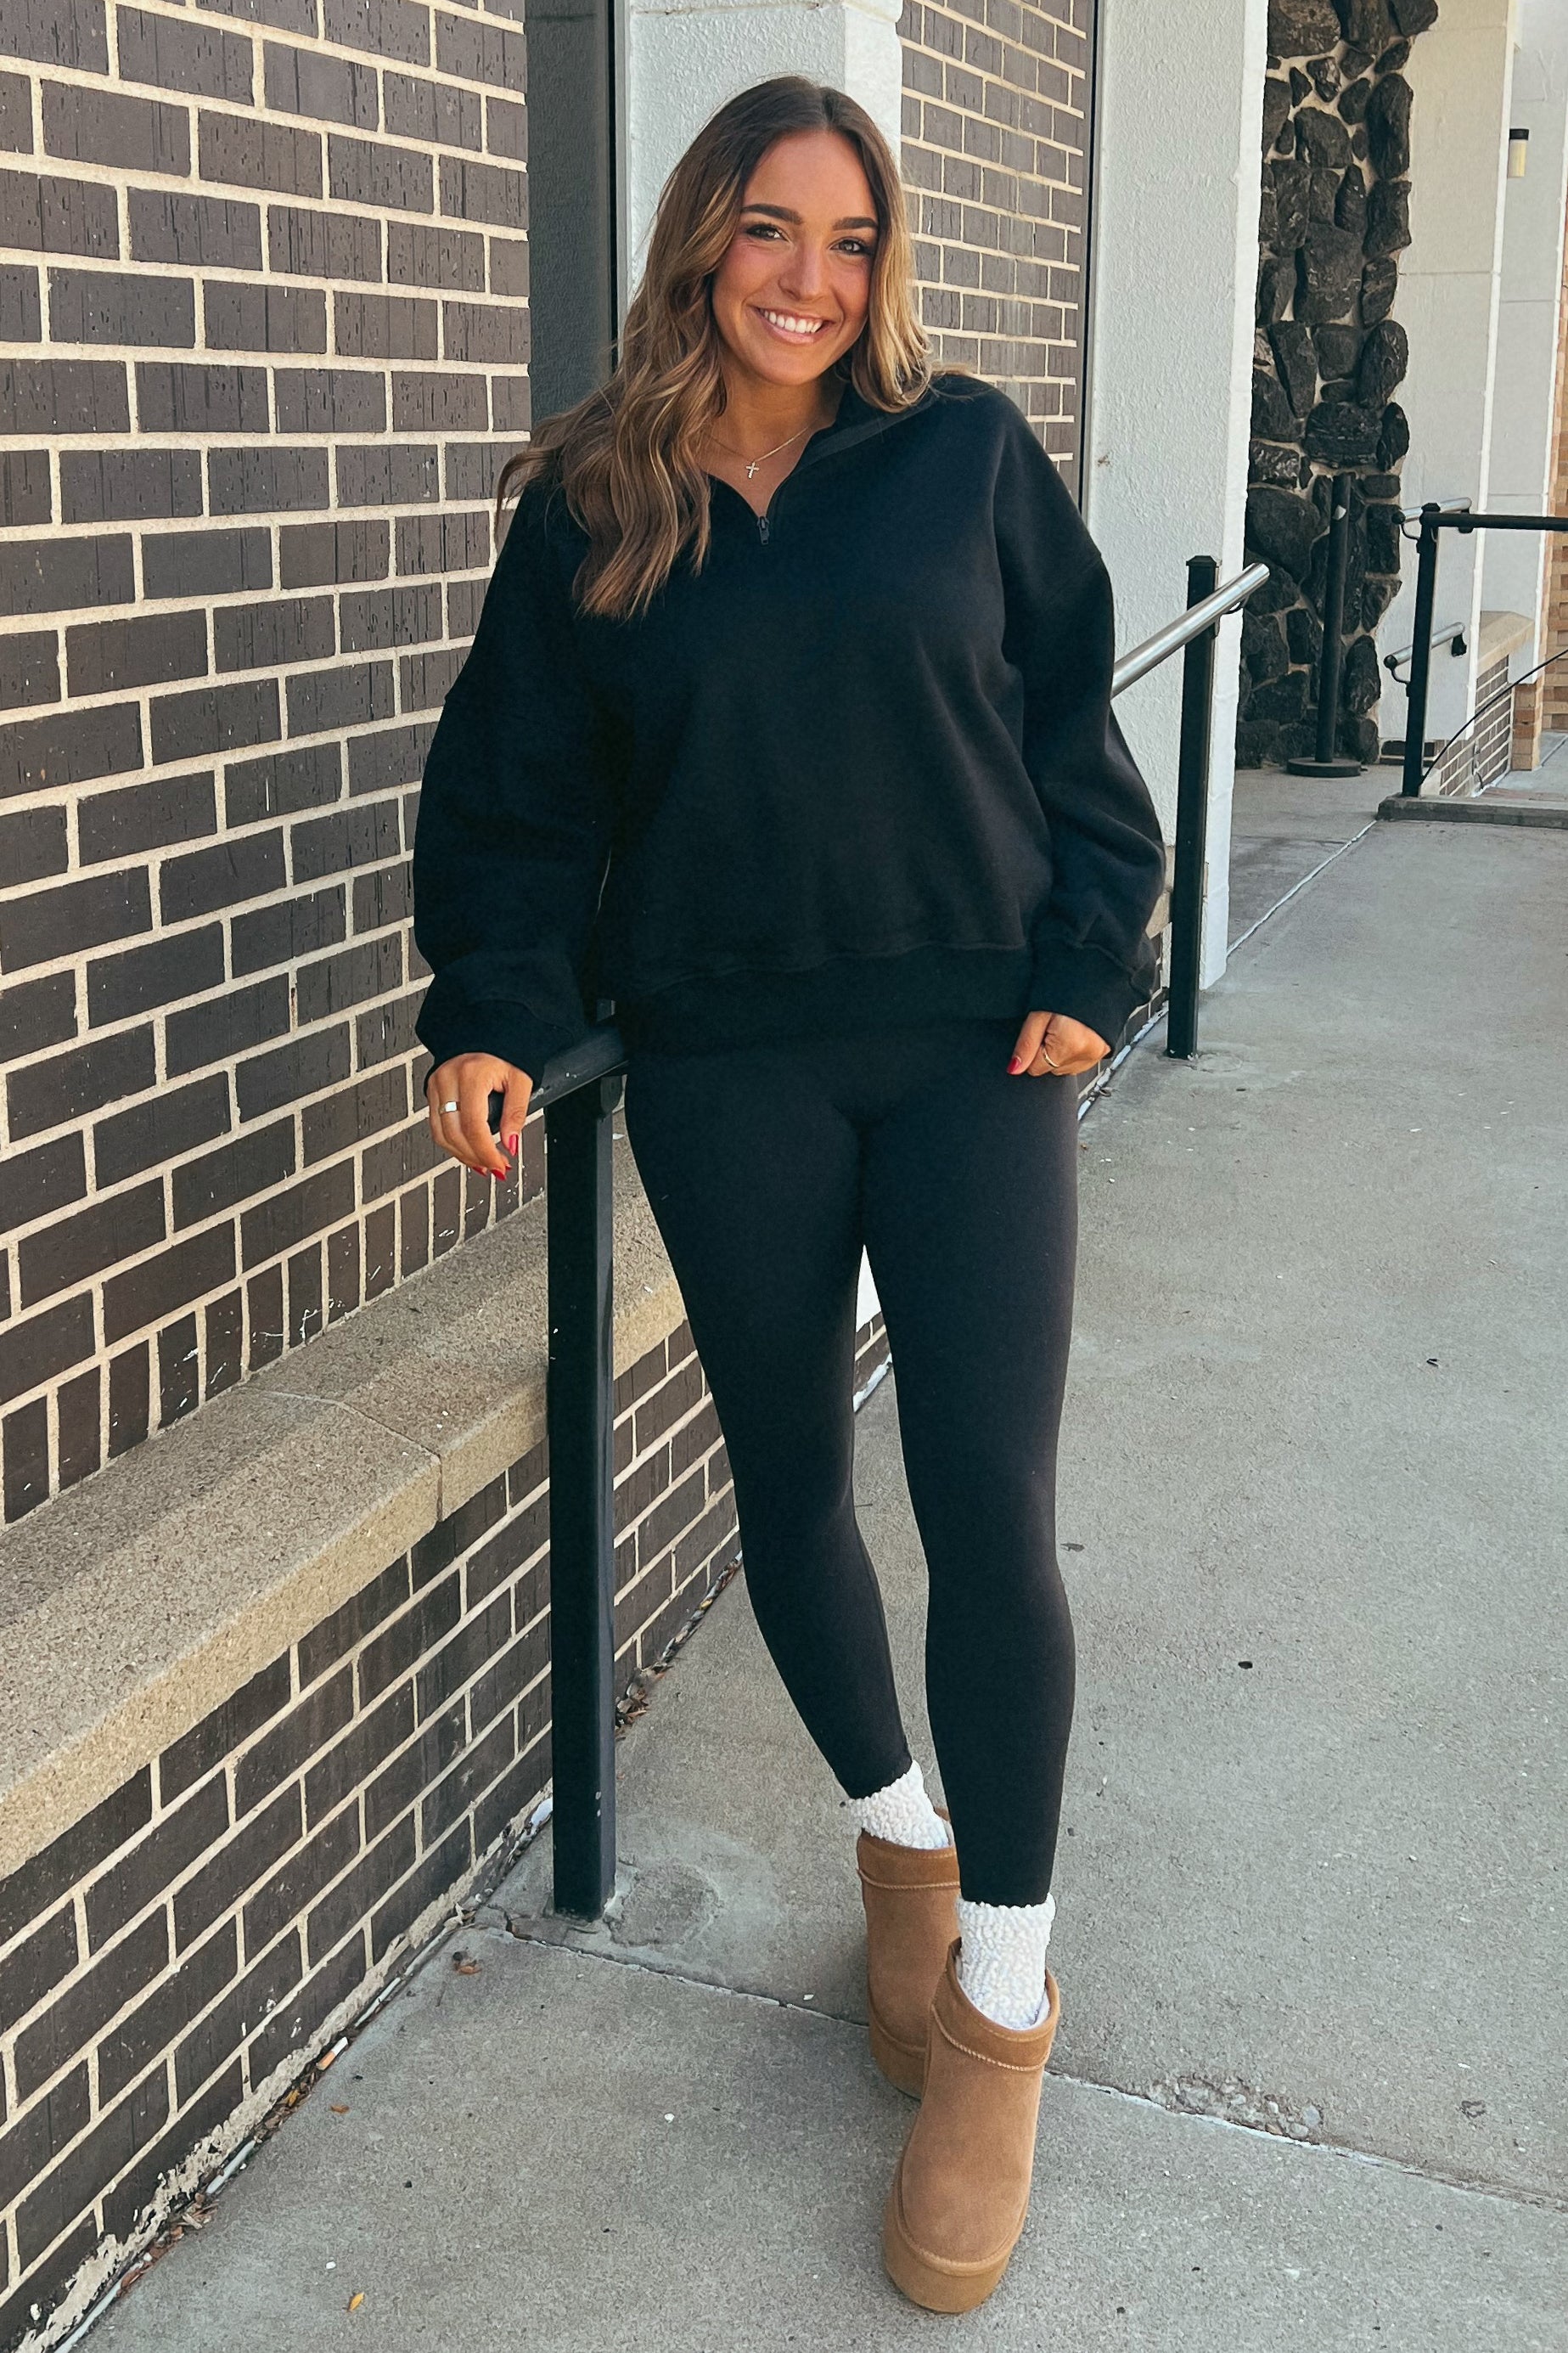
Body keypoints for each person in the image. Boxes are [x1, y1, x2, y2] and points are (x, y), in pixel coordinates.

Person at [411, 73, 1166, 2315]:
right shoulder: (594, 501)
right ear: (700, 238)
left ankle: (1003, 2001)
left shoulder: (965, 456)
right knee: (785, 1486)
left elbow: (1073, 735)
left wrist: (1091, 961)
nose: (808, 280)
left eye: (849, 239)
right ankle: (903, 1848)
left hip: (972, 1053)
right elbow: (517, 796)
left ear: (884, 260)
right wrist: (493, 1009)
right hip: (726, 1057)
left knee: (987, 1500)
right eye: (769, 228)